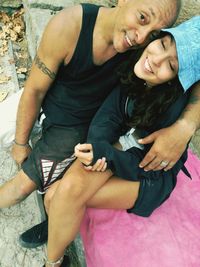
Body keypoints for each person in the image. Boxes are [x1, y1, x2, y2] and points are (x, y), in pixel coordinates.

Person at [0, 0, 185, 244]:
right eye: (142, 17)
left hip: (81, 128)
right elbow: (34, 91)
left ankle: (56, 222)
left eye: (153, 33)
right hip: (49, 102)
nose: (141, 37)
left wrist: (187, 124)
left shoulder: (148, 52)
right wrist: (21, 143)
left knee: (24, 186)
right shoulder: (70, 25)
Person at [39, 16, 200, 267]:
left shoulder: (172, 109)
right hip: (123, 150)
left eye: (171, 64)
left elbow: (147, 165)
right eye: (163, 45)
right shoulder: (136, 69)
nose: (156, 60)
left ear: (176, 79)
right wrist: (98, 145)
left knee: (59, 196)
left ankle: (54, 262)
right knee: (55, 195)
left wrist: (109, 155)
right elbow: (109, 115)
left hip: (149, 178)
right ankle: (57, 233)